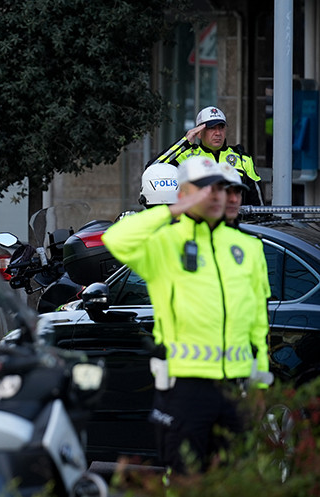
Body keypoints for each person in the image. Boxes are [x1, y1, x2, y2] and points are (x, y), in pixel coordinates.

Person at [102, 156, 271, 475]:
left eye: (221, 188)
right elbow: (116, 239)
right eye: (207, 189)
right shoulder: (167, 242)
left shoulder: (246, 247)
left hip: (235, 390)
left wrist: (260, 384)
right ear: (186, 194)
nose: (216, 195)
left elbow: (257, 321)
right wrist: (175, 209)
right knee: (185, 479)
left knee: (234, 480)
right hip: (186, 389)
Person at [154, 106, 263, 206]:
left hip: (236, 222)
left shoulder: (243, 158)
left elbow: (258, 202)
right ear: (199, 133)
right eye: (211, 128)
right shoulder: (186, 156)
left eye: (221, 127)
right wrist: (184, 142)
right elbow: (153, 168)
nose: (218, 133)